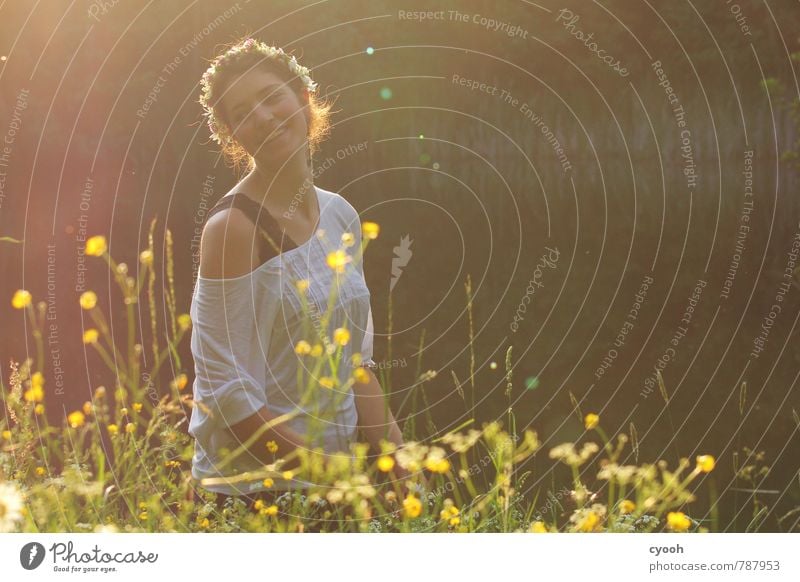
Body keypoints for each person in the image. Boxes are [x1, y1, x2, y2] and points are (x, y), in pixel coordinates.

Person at [188, 38, 408, 510]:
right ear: (233, 136)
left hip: (334, 486)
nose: (264, 117)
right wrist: (326, 476)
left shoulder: (341, 215)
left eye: (272, 97)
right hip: (254, 495)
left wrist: (401, 463)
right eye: (244, 112)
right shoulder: (232, 230)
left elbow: (354, 363)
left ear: (303, 99)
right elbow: (226, 392)